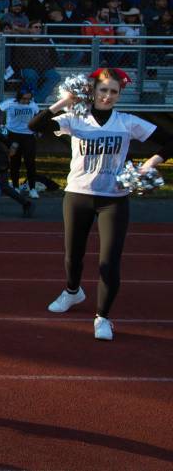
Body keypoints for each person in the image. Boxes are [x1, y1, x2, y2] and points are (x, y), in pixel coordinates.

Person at [28, 67, 173, 341]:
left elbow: (169, 141)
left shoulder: (128, 122)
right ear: (93, 91)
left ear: (119, 95)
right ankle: (73, 292)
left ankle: (103, 317)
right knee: (73, 255)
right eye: (103, 90)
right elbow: (35, 126)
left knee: (109, 261)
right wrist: (66, 100)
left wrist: (149, 165)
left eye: (113, 92)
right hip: (77, 195)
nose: (107, 96)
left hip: (114, 200)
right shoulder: (75, 118)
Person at [0, 88, 40, 197]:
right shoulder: (11, 103)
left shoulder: (32, 105)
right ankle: (15, 187)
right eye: (24, 99)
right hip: (14, 135)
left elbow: (39, 117)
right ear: (19, 97)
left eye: (28, 99)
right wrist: (0, 124)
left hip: (28, 135)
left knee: (30, 162)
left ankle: (32, 189)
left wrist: (38, 130)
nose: (26, 101)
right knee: (15, 162)